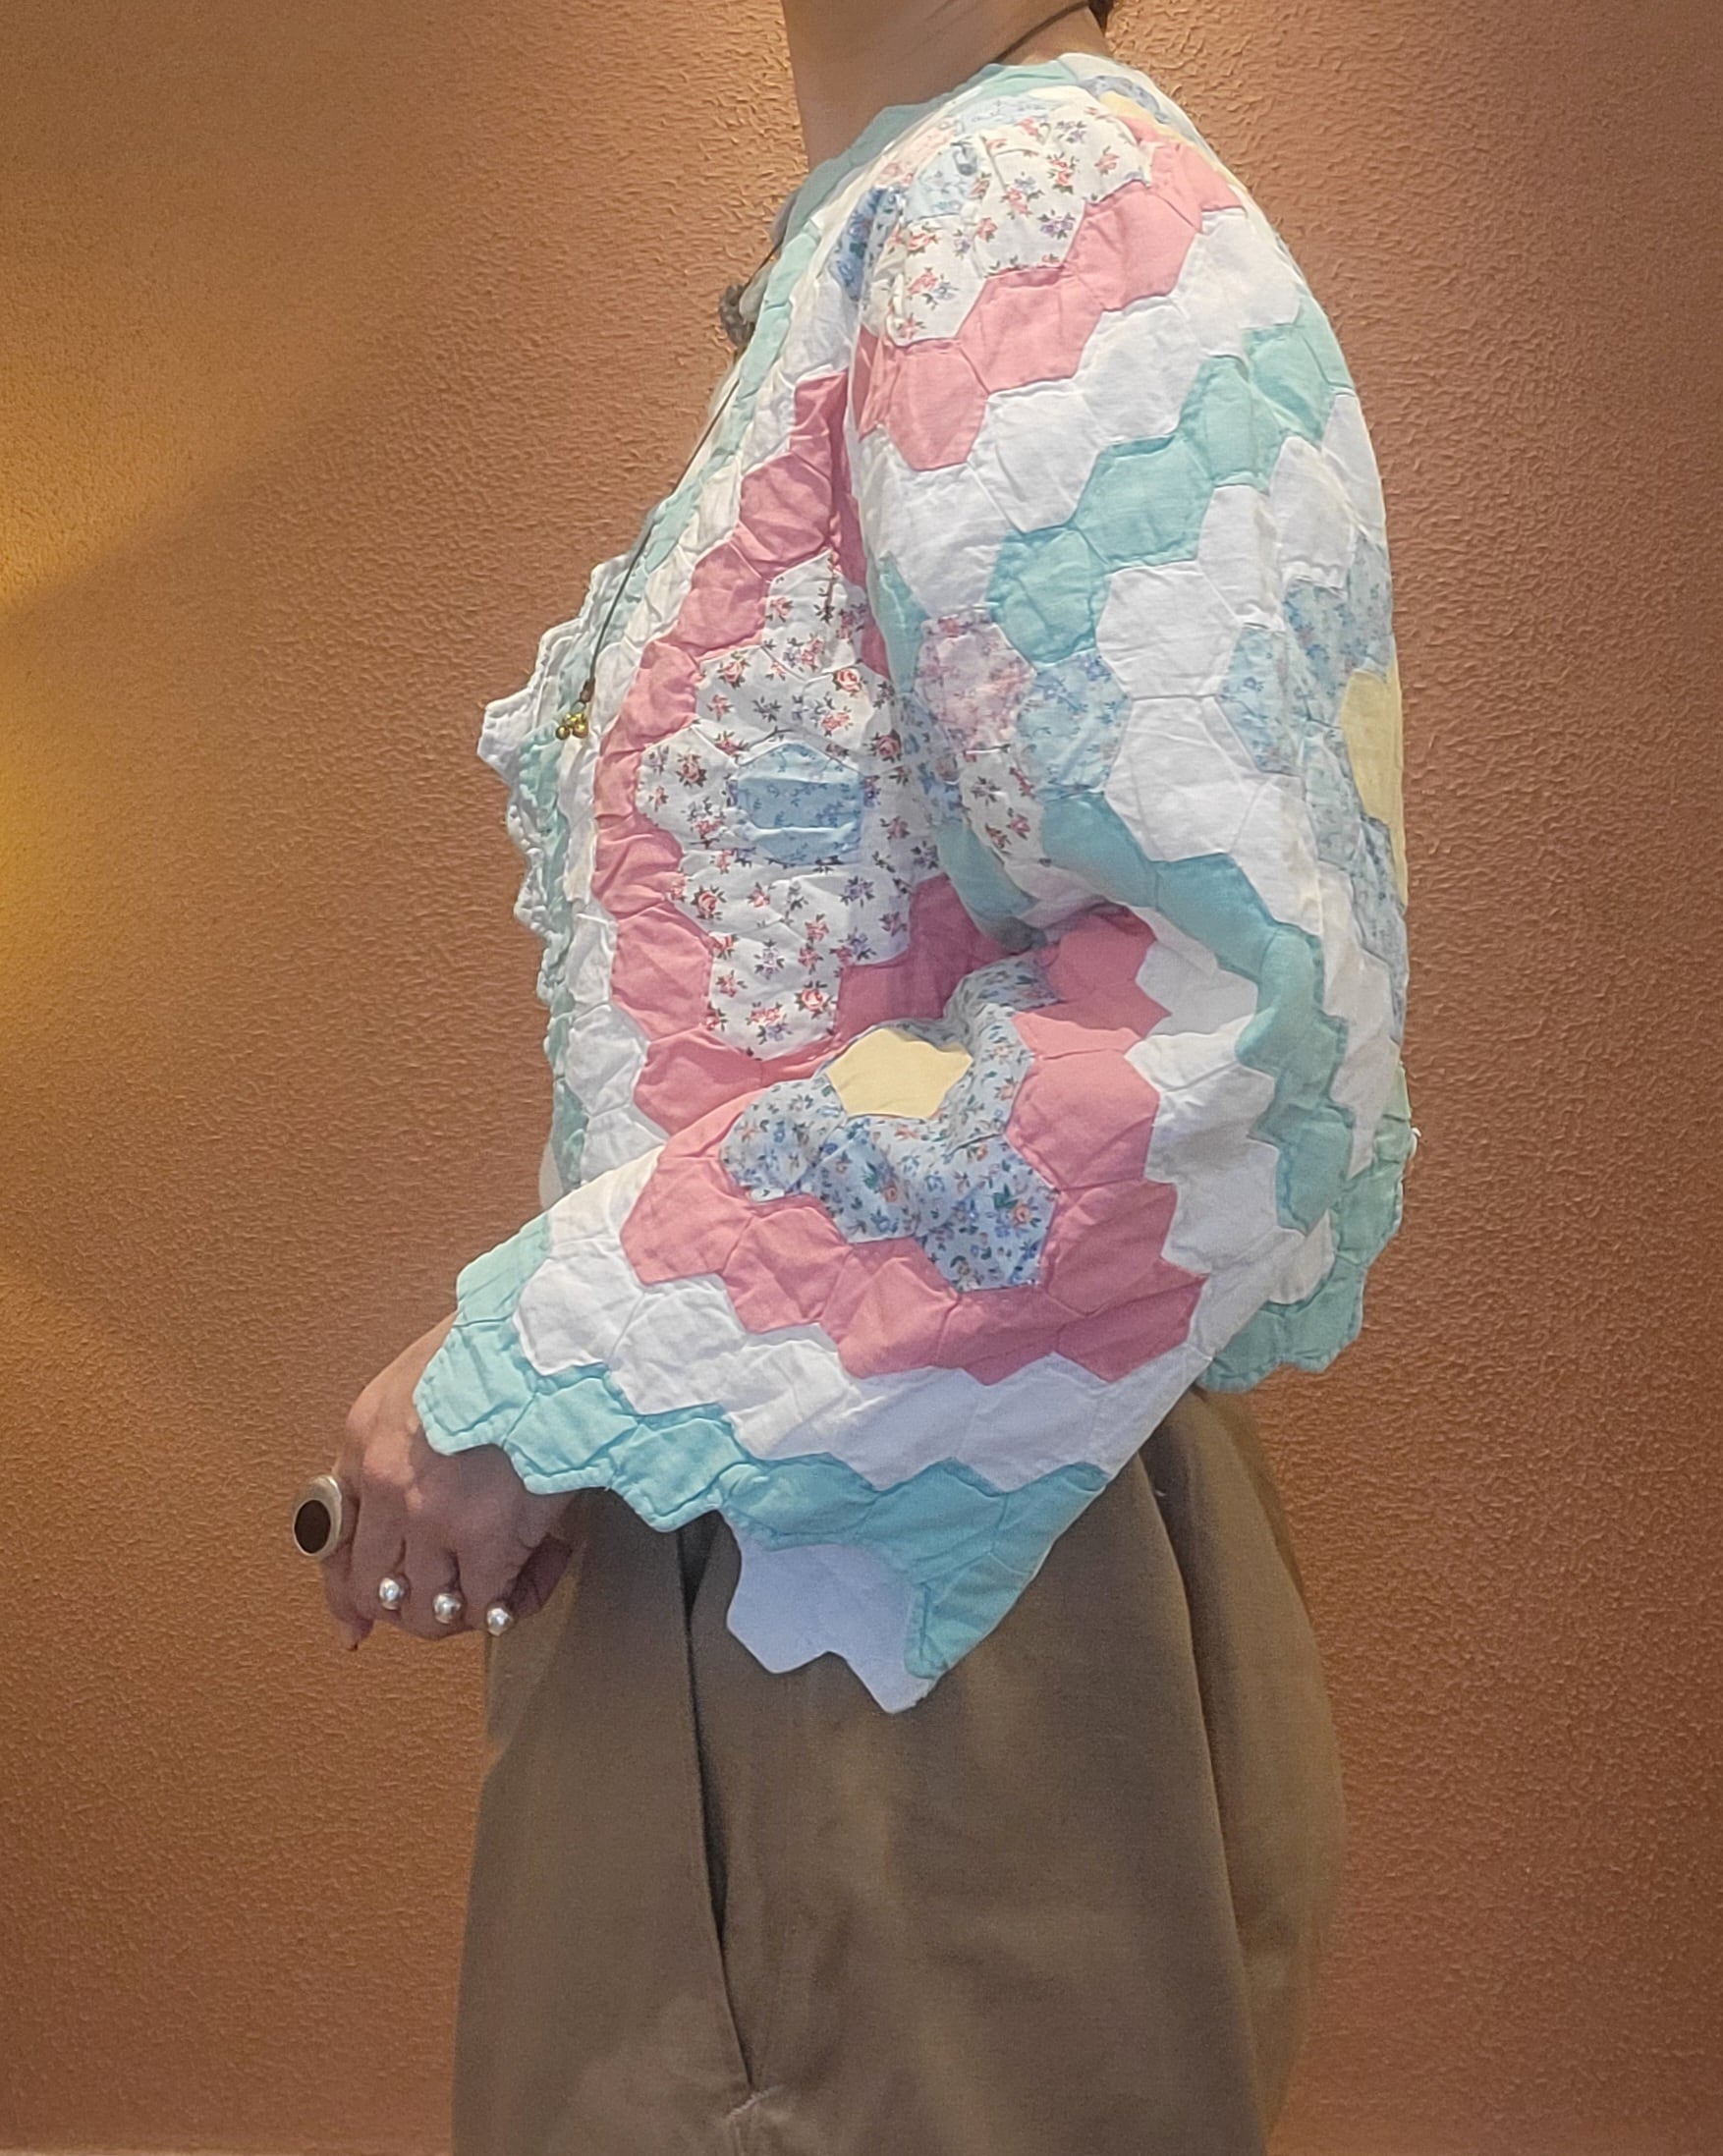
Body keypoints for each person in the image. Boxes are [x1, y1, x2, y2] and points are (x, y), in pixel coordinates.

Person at [314, 2, 1412, 2148]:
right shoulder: (902, 231)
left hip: (907, 1647)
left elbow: (1215, 1017)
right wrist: (582, 1386)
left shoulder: (1026, 207)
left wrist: (559, 1351)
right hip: (809, 1571)